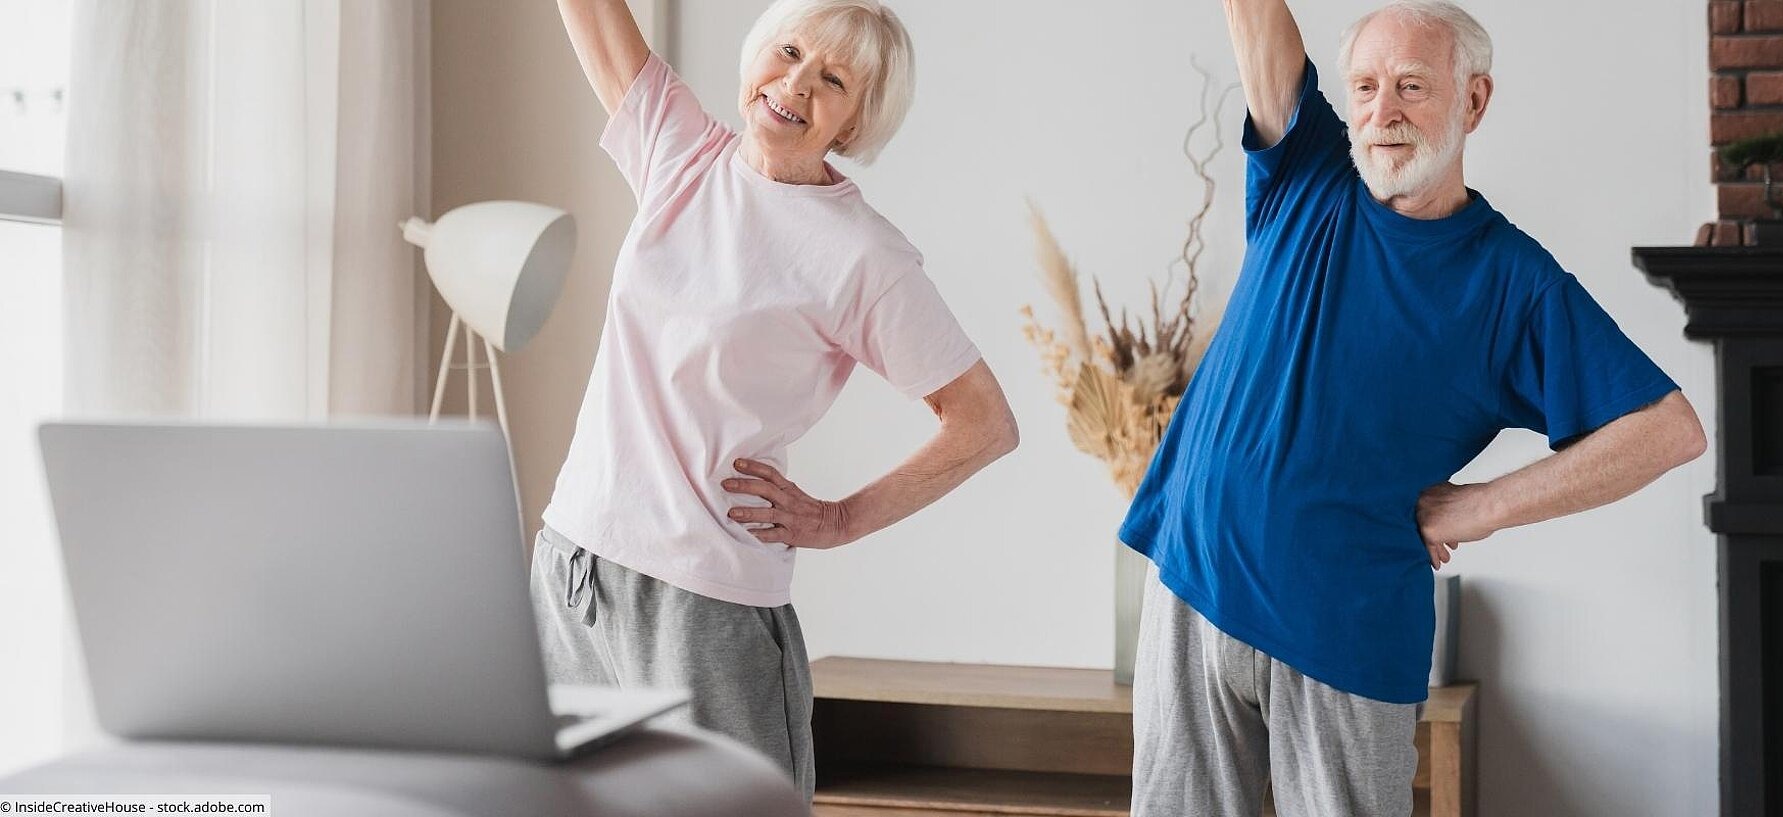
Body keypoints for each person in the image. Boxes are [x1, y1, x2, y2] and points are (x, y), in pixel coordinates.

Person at [1118, 1, 1708, 814]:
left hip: (1344, 632)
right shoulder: (1308, 169)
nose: (1381, 112)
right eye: (1364, 86)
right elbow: (1255, 19)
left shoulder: (1514, 283)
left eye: (1411, 86)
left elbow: (1667, 430)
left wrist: (1483, 506)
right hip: (1191, 581)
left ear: (1473, 101)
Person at [537, 0, 1019, 798]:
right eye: (789, 51)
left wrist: (839, 518)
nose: (795, 84)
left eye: (832, 79)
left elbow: (984, 422)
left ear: (855, 120)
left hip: (705, 605)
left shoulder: (864, 257)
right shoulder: (679, 148)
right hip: (574, 570)